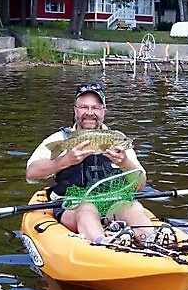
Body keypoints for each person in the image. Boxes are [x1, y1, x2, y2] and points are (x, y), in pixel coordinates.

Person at [26, 82, 154, 246]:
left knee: (133, 207)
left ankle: (150, 241)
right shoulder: (60, 139)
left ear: (103, 111)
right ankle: (103, 245)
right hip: (73, 206)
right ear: (75, 110)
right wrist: (64, 161)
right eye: (84, 107)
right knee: (87, 209)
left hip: (112, 202)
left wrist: (126, 163)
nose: (89, 113)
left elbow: (140, 185)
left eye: (95, 107)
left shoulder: (117, 139)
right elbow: (31, 174)